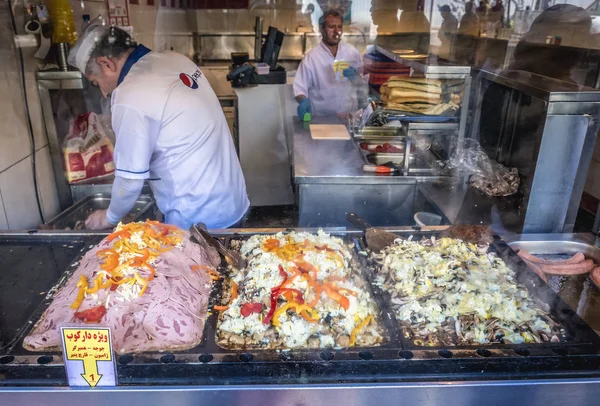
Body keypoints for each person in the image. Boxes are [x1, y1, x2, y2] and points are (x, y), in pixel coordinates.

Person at [68, 20, 249, 230]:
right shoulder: (174, 60)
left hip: (199, 223)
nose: (104, 93)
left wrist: (107, 218)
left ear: (106, 64)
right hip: (234, 202)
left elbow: (129, 182)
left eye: (96, 82)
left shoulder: (131, 93)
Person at [293, 9, 364, 118]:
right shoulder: (311, 58)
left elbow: (363, 84)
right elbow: (299, 88)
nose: (336, 32)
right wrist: (303, 101)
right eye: (331, 27)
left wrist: (356, 78)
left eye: (339, 27)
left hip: (349, 118)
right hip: (321, 119)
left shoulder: (352, 53)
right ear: (322, 30)